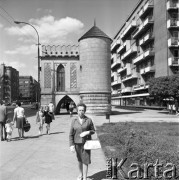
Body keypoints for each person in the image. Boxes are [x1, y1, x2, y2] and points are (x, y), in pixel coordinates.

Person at [69, 103, 95, 180]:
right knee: (79, 160)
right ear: (77, 111)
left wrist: (88, 132)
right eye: (80, 110)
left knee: (85, 160)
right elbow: (71, 134)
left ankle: (85, 177)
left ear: (85, 111)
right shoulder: (74, 121)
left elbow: (93, 131)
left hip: (86, 143)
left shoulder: (89, 120)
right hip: (77, 144)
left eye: (83, 110)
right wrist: (71, 145)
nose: (81, 112)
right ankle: (80, 174)